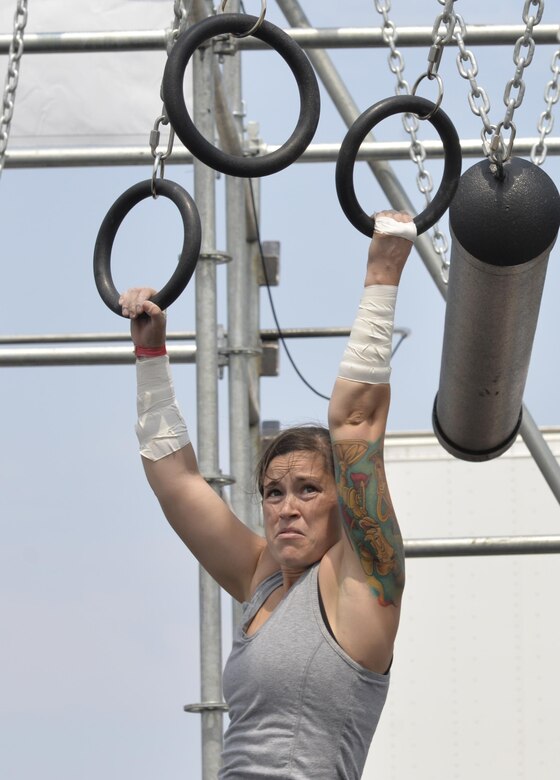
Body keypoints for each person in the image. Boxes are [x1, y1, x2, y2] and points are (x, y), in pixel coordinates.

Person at [120, 209, 415, 779]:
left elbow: (354, 422)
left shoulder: (367, 582)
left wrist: (383, 272)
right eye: (273, 493)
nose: (287, 507)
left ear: (344, 501)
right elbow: (175, 480)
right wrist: (150, 355)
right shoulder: (262, 576)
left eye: (308, 489)